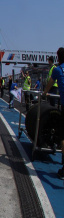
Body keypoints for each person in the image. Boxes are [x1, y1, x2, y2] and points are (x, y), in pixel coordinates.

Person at [41, 47, 64, 179]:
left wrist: (44, 94)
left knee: (63, 136)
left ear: (58, 58)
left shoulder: (57, 70)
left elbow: (50, 84)